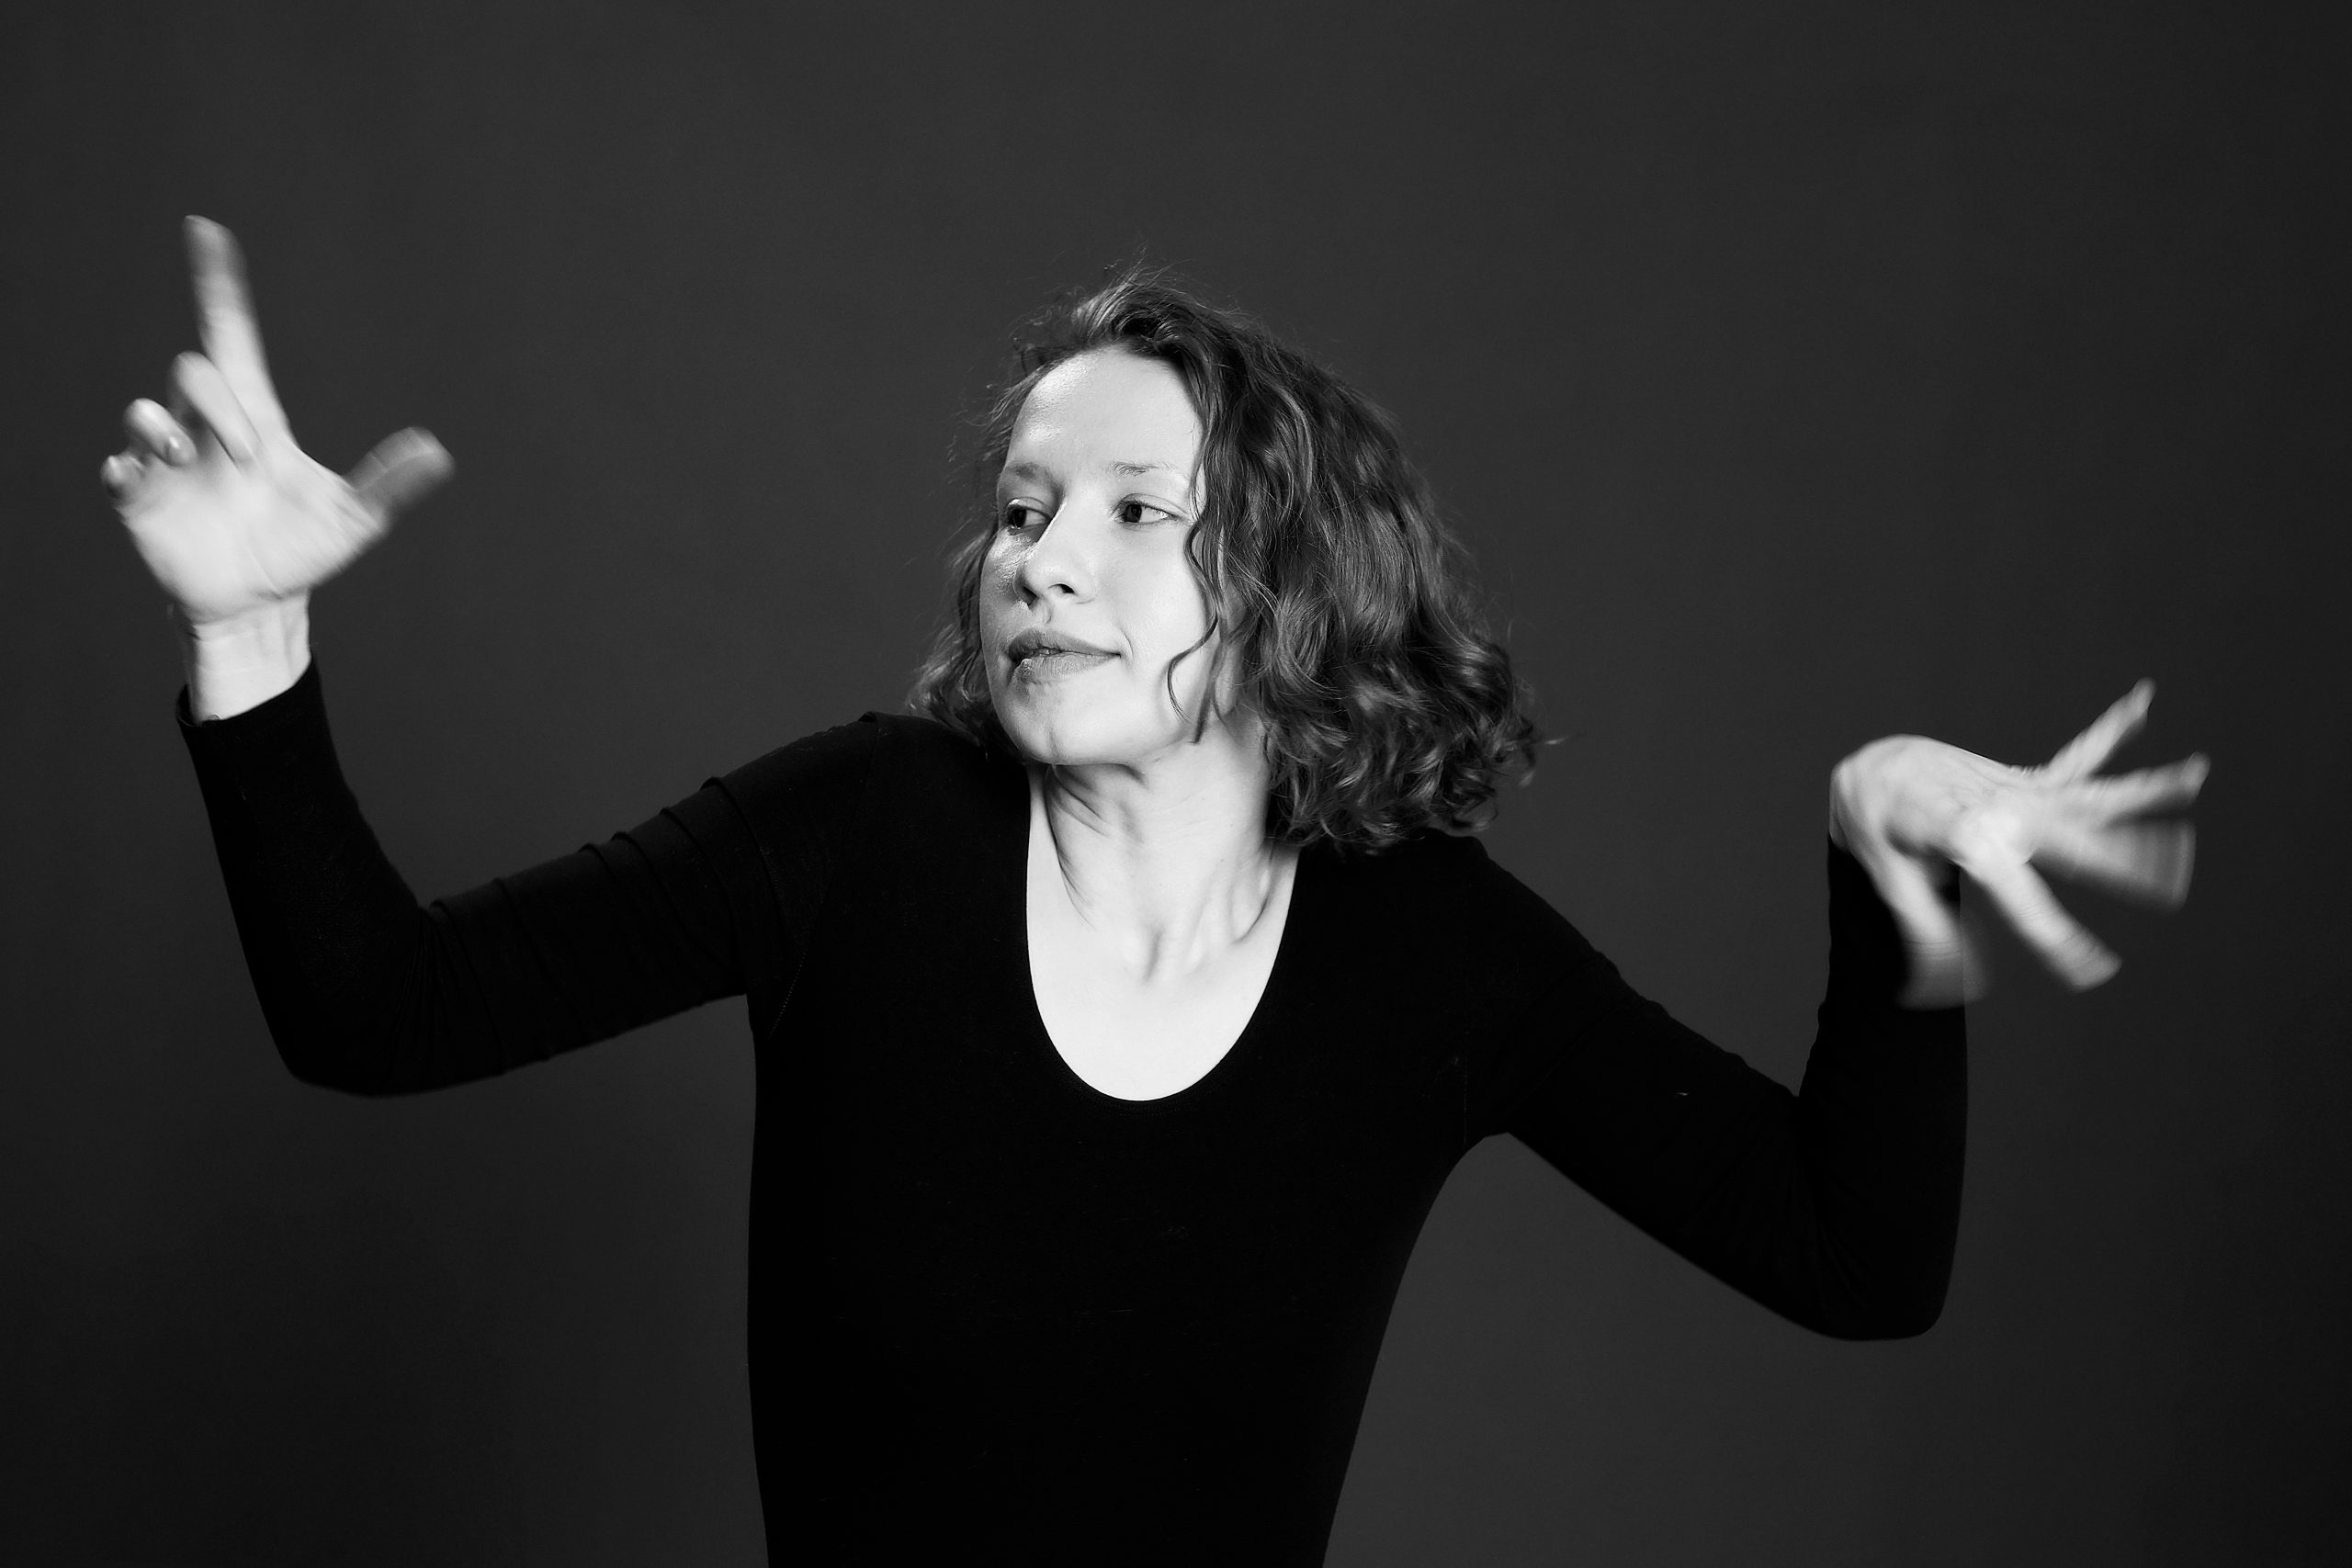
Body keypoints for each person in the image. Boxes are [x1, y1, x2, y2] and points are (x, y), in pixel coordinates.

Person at [105, 217, 2206, 1563]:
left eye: (1130, 511)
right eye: (1021, 507)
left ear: (1294, 588)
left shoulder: (1425, 952)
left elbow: (1852, 1255)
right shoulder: (858, 835)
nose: (1038, 557)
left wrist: (1887, 879)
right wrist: (247, 632)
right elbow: (373, 1008)